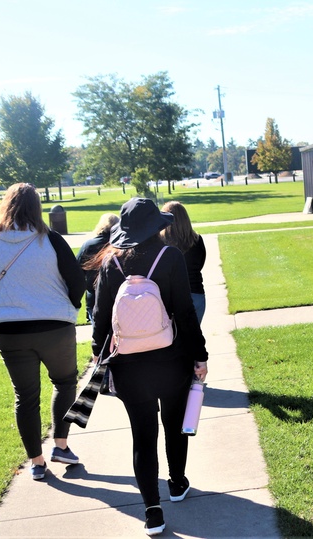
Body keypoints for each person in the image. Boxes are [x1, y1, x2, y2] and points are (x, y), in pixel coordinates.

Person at [90, 197, 209, 536]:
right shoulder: (169, 256)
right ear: (156, 226)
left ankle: (153, 512)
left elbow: (100, 320)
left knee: (143, 437)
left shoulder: (111, 262)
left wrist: (101, 358)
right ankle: (176, 482)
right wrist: (199, 356)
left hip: (129, 365)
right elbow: (185, 313)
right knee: (175, 426)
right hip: (171, 360)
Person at [0, 183, 86, 481]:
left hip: (9, 329)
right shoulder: (50, 240)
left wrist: (12, 296)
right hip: (54, 326)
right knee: (64, 383)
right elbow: (77, 280)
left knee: (25, 396)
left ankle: (36, 461)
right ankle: (60, 444)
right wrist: (69, 305)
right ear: (36, 208)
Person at [159, 201, 207, 323]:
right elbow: (200, 264)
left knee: (173, 338)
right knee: (194, 338)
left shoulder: (161, 242)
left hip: (172, 297)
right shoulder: (197, 240)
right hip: (196, 293)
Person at [77, 213, 118, 323]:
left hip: (94, 297)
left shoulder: (88, 245)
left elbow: (77, 271)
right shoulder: (119, 246)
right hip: (116, 295)